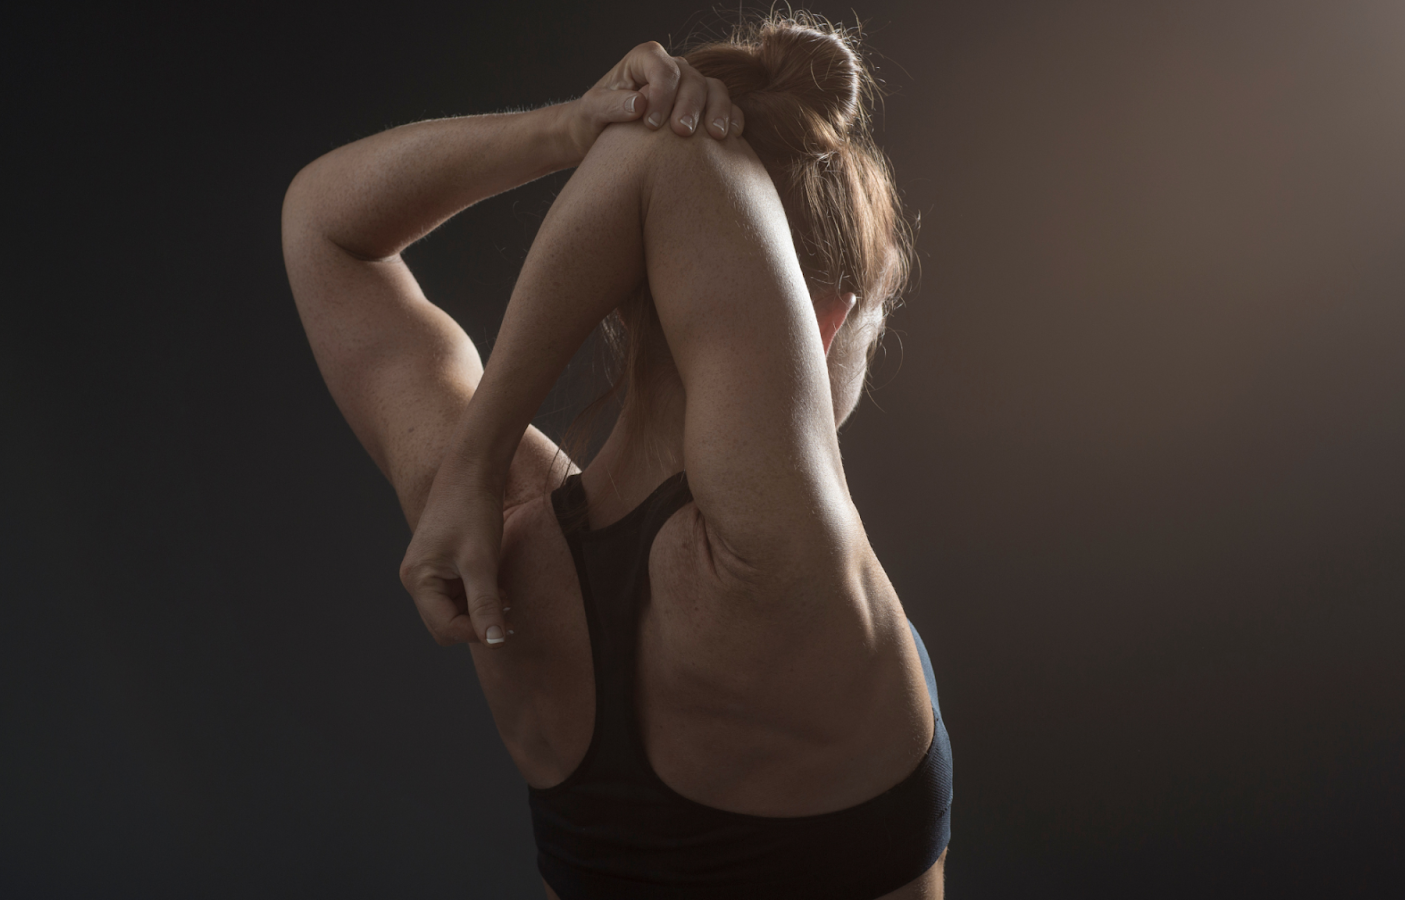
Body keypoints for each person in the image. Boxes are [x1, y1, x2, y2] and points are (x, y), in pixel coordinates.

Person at [282, 12, 951, 899]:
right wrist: (474, 461)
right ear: (822, 320)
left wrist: (573, 125)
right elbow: (668, 158)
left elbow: (320, 224)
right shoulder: (782, 559)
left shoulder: (501, 542)